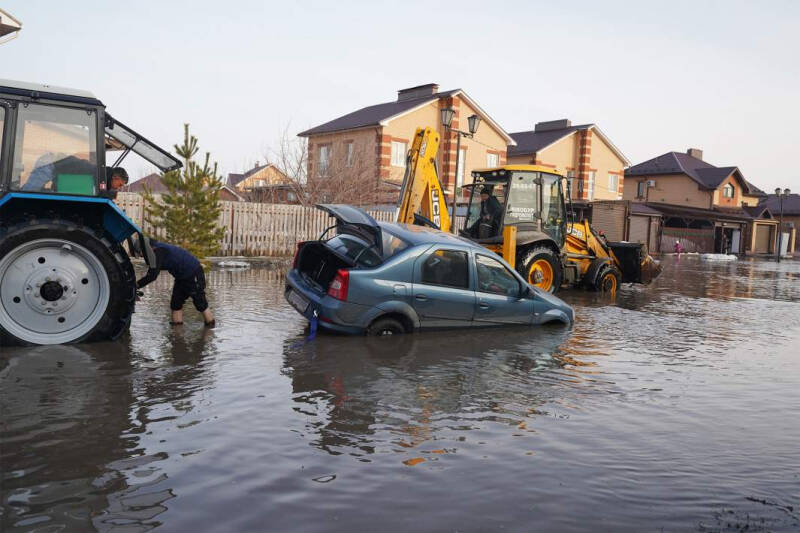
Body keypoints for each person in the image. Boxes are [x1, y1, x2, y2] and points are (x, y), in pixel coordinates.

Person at [135, 237, 215, 327]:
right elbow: (152, 271)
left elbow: (152, 275)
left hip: (193, 273)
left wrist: (136, 285)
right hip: (181, 277)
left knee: (200, 303)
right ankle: (177, 335)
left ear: (145, 248)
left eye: (140, 252)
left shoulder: (159, 251)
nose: (141, 256)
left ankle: (210, 330)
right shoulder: (156, 250)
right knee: (175, 304)